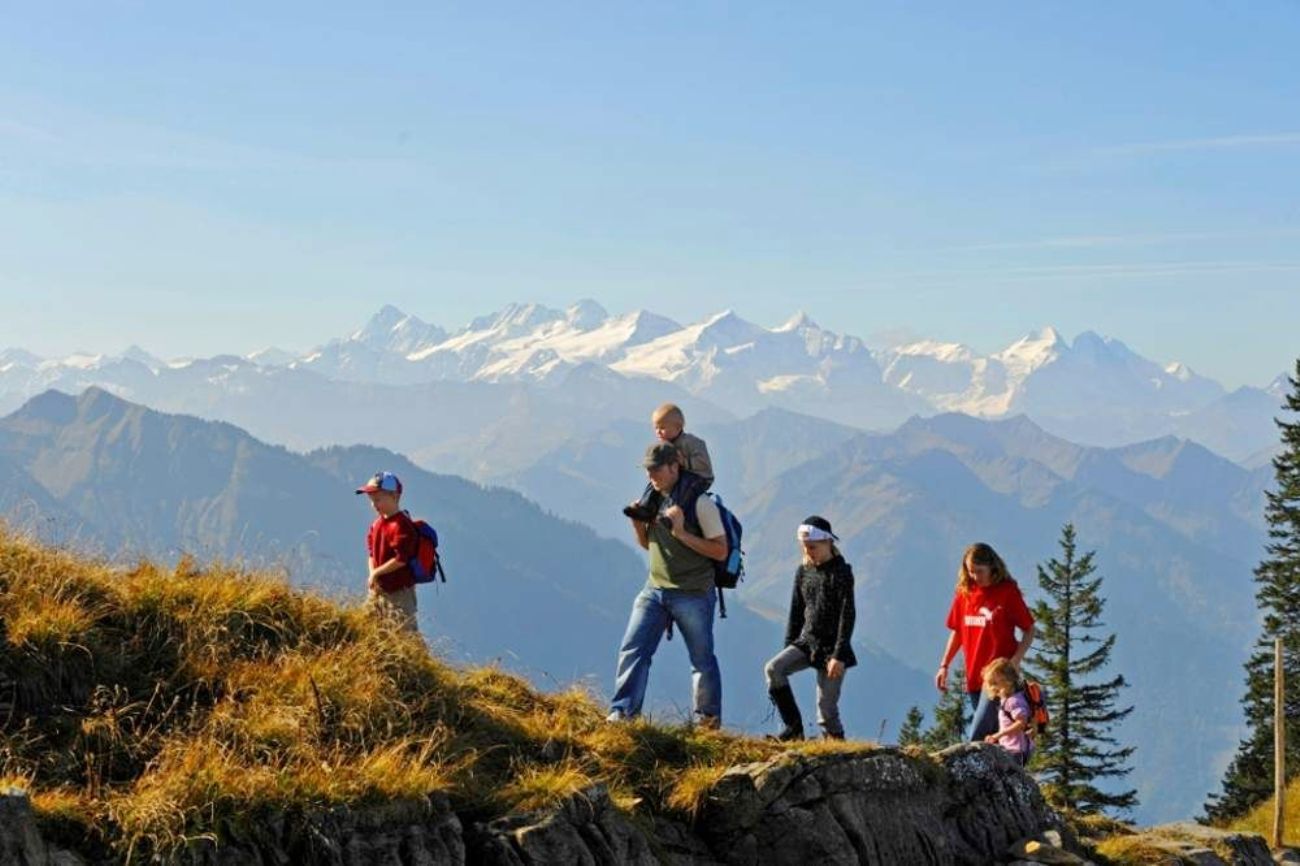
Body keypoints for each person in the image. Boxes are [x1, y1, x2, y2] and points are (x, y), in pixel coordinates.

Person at [608, 442, 727, 728]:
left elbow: (720, 551)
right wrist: (638, 524)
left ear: (674, 466)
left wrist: (682, 532)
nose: (651, 475)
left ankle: (706, 724)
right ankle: (622, 714)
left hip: (693, 593)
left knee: (701, 659)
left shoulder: (700, 503)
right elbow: (650, 545)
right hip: (655, 589)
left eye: (656, 469)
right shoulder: (653, 498)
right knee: (633, 649)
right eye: (648, 470)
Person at [764, 515, 856, 741]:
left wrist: (838, 654)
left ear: (827, 543)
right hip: (807, 642)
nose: (808, 551)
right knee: (774, 669)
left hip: (832, 649)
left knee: (826, 711)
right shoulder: (803, 571)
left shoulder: (841, 572)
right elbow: (797, 611)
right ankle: (794, 730)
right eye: (804, 547)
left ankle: (836, 749)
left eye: (812, 547)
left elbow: (848, 614)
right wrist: (789, 646)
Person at [935, 542, 1035, 742]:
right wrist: (944, 665)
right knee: (996, 738)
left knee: (978, 738)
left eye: (979, 571)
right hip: (973, 677)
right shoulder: (965, 593)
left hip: (999, 679)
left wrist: (1015, 661)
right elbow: (958, 632)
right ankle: (1009, 771)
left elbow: (1029, 629)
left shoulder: (1007, 592)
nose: (974, 576)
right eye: (970, 571)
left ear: (992, 567)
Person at [623, 403, 714, 523]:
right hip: (679, 474)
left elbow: (704, 464)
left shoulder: (692, 442)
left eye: (662, 428)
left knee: (684, 488)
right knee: (655, 480)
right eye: (656, 428)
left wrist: (684, 462)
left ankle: (670, 515)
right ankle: (645, 507)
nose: (658, 432)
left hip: (699, 477)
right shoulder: (666, 445)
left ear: (678, 427)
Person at [355, 471, 420, 634]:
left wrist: (376, 572)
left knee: (405, 634)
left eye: (378, 499)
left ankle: (417, 659)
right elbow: (371, 553)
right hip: (378, 588)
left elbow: (401, 559)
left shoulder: (401, 525)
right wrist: (373, 574)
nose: (374, 504)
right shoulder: (376, 525)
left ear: (395, 497)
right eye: (371, 500)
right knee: (366, 627)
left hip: (400, 592)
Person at [980, 657, 1032, 765]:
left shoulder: (1014, 701)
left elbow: (1021, 723)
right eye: (991, 683)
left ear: (1007, 681)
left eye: (995, 683)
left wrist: (998, 735)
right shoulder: (1007, 700)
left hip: (1017, 750)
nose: (993, 687)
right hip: (1012, 749)